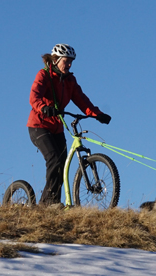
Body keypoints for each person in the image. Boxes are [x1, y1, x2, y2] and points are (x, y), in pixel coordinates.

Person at [27, 44, 111, 207]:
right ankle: (47, 204)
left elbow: (81, 100)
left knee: (62, 163)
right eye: (67, 61)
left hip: (57, 127)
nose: (70, 65)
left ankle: (53, 203)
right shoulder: (44, 75)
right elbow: (34, 97)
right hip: (39, 125)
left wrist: (97, 114)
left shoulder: (70, 80)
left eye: (72, 61)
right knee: (54, 159)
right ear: (56, 60)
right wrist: (44, 108)